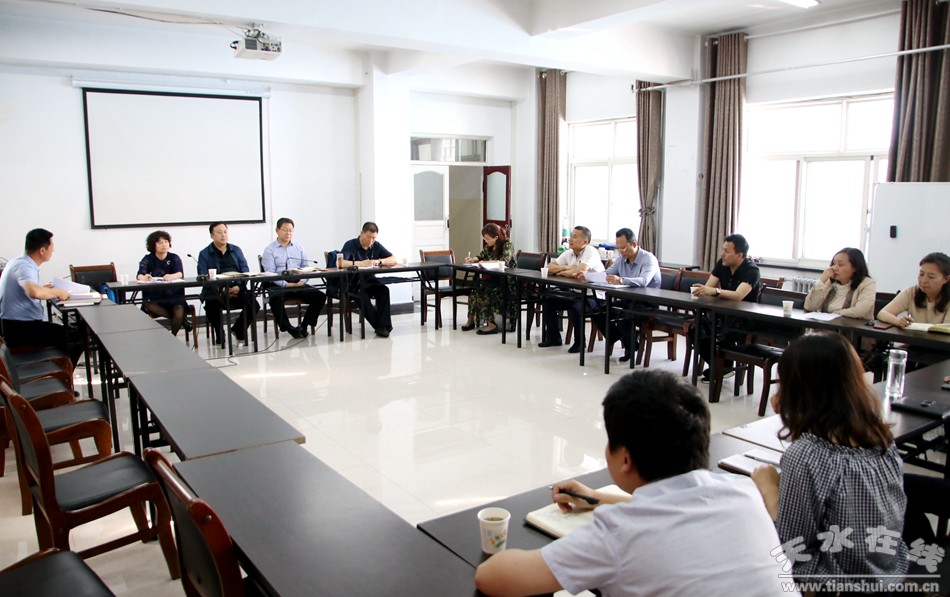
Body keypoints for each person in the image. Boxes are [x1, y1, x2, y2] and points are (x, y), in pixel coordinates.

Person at [475, 369, 788, 597]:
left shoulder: (619, 533)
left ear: (625, 458)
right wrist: (597, 497)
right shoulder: (742, 493)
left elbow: (493, 579)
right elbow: (675, 509)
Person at [750, 332, 908, 588]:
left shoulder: (807, 456)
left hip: (834, 585)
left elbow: (790, 547)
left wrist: (769, 490)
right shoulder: (882, 439)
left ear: (799, 389)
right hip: (889, 575)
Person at [0, 228, 83, 364]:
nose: (53, 250)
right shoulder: (24, 266)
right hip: (20, 329)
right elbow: (34, 292)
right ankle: (62, 373)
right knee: (77, 338)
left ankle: (59, 368)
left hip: (14, 326)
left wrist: (43, 288)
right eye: (52, 246)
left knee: (69, 334)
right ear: (42, 250)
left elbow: (29, 289)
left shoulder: (18, 261)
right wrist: (58, 292)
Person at [692, 233, 760, 382]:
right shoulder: (722, 264)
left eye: (726, 251)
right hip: (722, 315)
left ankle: (722, 367)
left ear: (740, 255)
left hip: (742, 320)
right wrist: (703, 290)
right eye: (722, 250)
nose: (722, 254)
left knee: (717, 333)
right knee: (695, 328)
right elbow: (708, 287)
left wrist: (715, 291)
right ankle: (721, 366)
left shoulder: (751, 271)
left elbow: (738, 295)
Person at [590, 228, 661, 362]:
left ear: (633, 244)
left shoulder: (648, 259)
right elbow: (607, 273)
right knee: (598, 312)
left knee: (624, 318)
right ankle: (627, 341)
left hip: (646, 302)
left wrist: (621, 280)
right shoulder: (621, 259)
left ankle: (630, 347)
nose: (620, 251)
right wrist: (589, 276)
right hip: (628, 299)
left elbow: (644, 281)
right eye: (618, 248)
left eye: (623, 248)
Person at [538, 226, 605, 353]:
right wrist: (568, 268)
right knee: (548, 302)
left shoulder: (591, 251)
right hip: (576, 293)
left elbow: (580, 271)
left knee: (575, 307)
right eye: (571, 236)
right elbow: (549, 267)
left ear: (585, 242)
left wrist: (568, 270)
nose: (570, 239)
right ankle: (554, 338)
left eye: (574, 237)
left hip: (594, 297)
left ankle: (580, 343)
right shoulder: (569, 252)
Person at [261, 218, 327, 339]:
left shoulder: (298, 247)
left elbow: (306, 267)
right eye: (285, 230)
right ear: (277, 230)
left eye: (291, 230)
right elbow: (270, 273)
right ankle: (289, 328)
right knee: (275, 299)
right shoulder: (270, 250)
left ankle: (304, 325)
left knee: (320, 296)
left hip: (298, 282)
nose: (288, 233)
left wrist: (302, 281)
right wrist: (285, 284)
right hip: (279, 284)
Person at [196, 222, 260, 345]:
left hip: (236, 288)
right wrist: (221, 289)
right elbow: (203, 276)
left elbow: (245, 270)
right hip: (217, 291)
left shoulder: (236, 250)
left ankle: (238, 329)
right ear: (212, 235)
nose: (223, 235)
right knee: (211, 303)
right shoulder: (204, 254)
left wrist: (239, 286)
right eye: (219, 232)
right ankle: (220, 333)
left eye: (225, 232)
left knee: (253, 303)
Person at [340, 222, 397, 337]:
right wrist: (361, 263)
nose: (371, 241)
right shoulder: (350, 244)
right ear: (361, 233)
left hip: (370, 281)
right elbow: (341, 262)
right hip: (354, 284)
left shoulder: (376, 245)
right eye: (368, 237)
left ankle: (384, 325)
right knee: (362, 296)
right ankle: (380, 326)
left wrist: (379, 261)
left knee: (384, 290)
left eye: (374, 238)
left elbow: (393, 258)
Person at [462, 223, 517, 335]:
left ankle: (492, 324)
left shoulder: (507, 244)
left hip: (507, 282)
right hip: (493, 280)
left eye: (487, 238)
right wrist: (473, 259)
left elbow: (505, 261)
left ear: (496, 237)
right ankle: (471, 320)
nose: (485, 241)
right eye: (484, 238)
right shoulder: (490, 246)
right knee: (475, 292)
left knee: (486, 293)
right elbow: (481, 256)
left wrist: (486, 262)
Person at [877, 251, 950, 327]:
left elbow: (946, 329)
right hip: (913, 335)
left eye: (931, 277)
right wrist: (898, 321)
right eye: (921, 274)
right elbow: (882, 313)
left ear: (946, 279)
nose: (923, 280)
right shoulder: (912, 291)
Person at [136, 230, 188, 336]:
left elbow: (179, 273)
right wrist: (145, 277)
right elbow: (139, 275)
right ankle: (183, 320)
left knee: (178, 310)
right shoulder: (148, 258)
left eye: (166, 242)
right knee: (147, 304)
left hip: (173, 295)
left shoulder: (174, 257)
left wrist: (171, 276)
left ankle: (172, 337)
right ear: (153, 245)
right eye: (160, 242)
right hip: (155, 296)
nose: (164, 245)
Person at [803, 247, 875, 320]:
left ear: (855, 268)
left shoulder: (867, 283)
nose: (834, 268)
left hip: (852, 326)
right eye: (834, 264)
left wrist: (835, 313)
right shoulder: (830, 282)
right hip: (825, 325)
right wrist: (821, 281)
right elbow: (809, 307)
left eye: (840, 264)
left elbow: (859, 311)